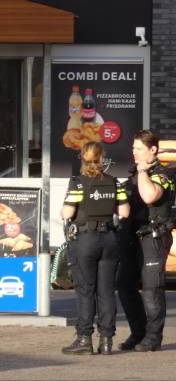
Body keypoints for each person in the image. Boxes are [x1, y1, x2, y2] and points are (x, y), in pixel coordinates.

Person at [61, 142, 129, 355]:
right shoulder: (114, 182)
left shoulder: (78, 183)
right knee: (106, 291)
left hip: (86, 240)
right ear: (102, 160)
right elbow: (124, 211)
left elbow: (66, 214)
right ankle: (107, 341)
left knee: (86, 291)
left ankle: (84, 339)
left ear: (83, 158)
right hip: (109, 239)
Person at [116, 129, 175, 352]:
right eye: (133, 148)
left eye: (139, 149)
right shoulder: (133, 174)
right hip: (132, 237)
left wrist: (142, 173)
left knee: (152, 289)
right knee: (124, 285)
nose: (134, 153)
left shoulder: (164, 173)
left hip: (154, 237)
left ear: (153, 150)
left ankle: (153, 338)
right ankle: (138, 332)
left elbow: (150, 196)